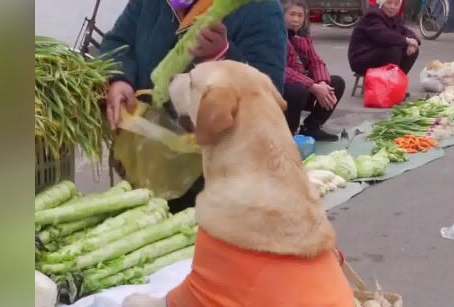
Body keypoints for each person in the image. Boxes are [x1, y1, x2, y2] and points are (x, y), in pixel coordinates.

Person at [100, 0, 287, 212]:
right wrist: (119, 78)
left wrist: (223, 54)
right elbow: (118, 42)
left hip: (212, 174)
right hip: (145, 155)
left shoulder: (260, 7)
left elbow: (268, 94)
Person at [282, 0, 345, 142]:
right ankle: (288, 134)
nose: (296, 19)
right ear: (282, 15)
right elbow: (281, 69)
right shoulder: (276, 36)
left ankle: (311, 127)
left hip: (302, 88)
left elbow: (316, 61)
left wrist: (322, 83)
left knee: (336, 83)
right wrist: (312, 86)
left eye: (300, 15)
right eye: (292, 14)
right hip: (282, 90)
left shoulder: (304, 38)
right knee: (298, 90)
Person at [348, 0, 420, 79]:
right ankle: (389, 84)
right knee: (394, 50)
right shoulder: (373, 15)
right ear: (381, 3)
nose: (392, 7)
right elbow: (383, 37)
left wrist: (414, 40)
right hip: (362, 58)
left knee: (413, 50)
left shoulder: (394, 17)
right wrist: (407, 40)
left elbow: (405, 31)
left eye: (396, 4)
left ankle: (396, 82)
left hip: (379, 54)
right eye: (389, 3)